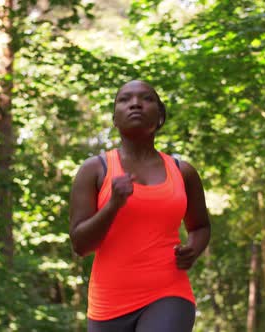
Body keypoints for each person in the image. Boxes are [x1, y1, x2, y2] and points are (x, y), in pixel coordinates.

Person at [68, 80, 211, 332]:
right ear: (115, 118)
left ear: (160, 116)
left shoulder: (183, 172)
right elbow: (81, 245)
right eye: (125, 99)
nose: (135, 103)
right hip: (108, 304)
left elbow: (200, 227)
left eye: (146, 98)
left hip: (169, 292)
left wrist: (193, 249)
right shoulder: (94, 170)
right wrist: (113, 204)